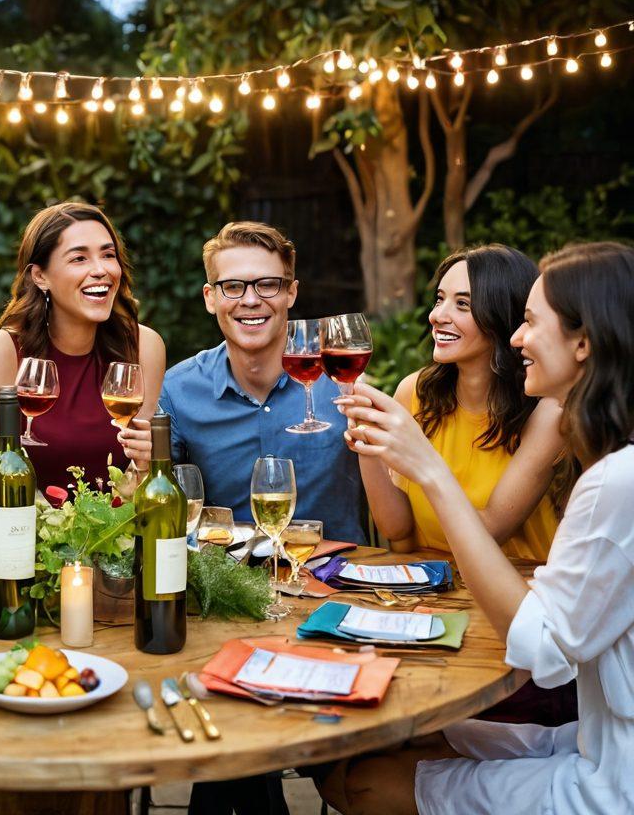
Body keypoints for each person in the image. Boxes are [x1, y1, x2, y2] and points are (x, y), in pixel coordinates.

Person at [324, 241, 634, 815]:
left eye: (530, 323)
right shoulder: (612, 469)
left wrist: (427, 470)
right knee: (352, 760)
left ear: (584, 342)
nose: (520, 338)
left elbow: (544, 648)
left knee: (364, 781)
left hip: (611, 776)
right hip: (597, 736)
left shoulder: (616, 482)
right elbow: (401, 534)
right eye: (439, 299)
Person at [159, 221, 365, 544]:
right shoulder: (177, 392)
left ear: (291, 293)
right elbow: (162, 511)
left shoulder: (342, 381)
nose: (251, 300)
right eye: (233, 286)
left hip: (336, 581)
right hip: (231, 584)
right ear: (210, 298)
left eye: (267, 284)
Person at [360, 245, 562, 560]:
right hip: (430, 588)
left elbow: (491, 532)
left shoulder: (545, 409)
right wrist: (366, 443)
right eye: (440, 299)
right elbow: (398, 531)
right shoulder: (415, 391)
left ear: (502, 316)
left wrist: (420, 454)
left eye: (463, 304)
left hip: (517, 595)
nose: (437, 316)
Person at [0, 202, 166, 498]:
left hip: (110, 534)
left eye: (108, 255)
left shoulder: (143, 347)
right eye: (79, 258)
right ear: (40, 276)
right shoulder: (1, 352)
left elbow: (133, 485)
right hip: (21, 534)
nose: (101, 270)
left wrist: (144, 464)